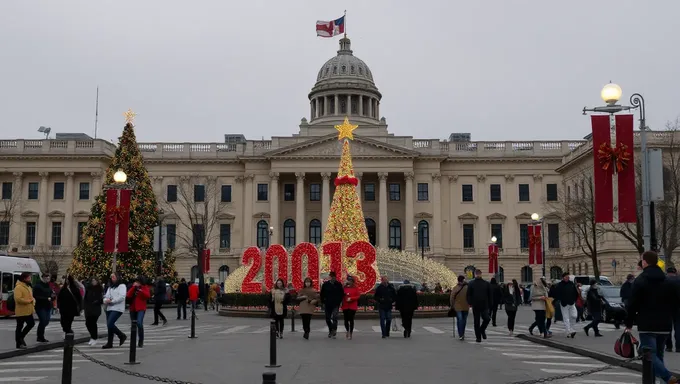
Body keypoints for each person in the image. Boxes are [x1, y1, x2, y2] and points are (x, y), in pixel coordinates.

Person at [625, 251, 680, 384]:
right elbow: (674, 302)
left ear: (645, 262)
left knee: (649, 354)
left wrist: (629, 324)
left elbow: (632, 304)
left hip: (647, 324)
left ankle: (668, 378)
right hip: (665, 324)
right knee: (659, 355)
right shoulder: (667, 280)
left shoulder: (640, 281)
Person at [102, 273, 127, 349]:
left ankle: (121, 335)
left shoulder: (122, 286)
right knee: (109, 326)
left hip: (117, 308)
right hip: (109, 308)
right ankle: (110, 343)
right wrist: (106, 300)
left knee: (110, 324)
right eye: (111, 277)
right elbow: (106, 296)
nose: (112, 278)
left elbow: (122, 297)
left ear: (118, 278)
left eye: (113, 277)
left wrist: (112, 301)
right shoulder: (110, 287)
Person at [467, 269, 492, 343]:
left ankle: (482, 330)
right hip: (476, 305)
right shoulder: (471, 283)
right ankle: (478, 337)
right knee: (476, 322)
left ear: (481, 274)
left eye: (479, 274)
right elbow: (468, 294)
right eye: (477, 274)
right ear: (475, 274)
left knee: (487, 319)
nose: (478, 275)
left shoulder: (486, 283)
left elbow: (490, 295)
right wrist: (470, 303)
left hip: (484, 305)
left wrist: (490, 304)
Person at [126, 276, 150, 348]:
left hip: (141, 308)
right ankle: (133, 341)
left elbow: (147, 295)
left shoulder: (144, 287)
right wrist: (134, 287)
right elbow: (128, 295)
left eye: (138, 282)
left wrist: (140, 290)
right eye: (136, 282)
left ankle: (141, 340)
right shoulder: (133, 287)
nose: (137, 283)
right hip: (133, 308)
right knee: (133, 325)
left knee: (139, 323)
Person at [553, 272, 578, 338]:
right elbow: (557, 294)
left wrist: (574, 299)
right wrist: (560, 300)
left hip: (572, 303)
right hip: (564, 303)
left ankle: (571, 328)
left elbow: (575, 292)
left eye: (568, 277)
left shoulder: (571, 284)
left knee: (574, 316)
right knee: (566, 318)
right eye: (566, 277)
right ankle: (568, 331)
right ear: (563, 277)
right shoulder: (560, 285)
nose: (567, 278)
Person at [320, 271, 344, 339]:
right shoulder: (326, 284)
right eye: (331, 277)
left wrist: (340, 301)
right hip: (327, 303)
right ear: (329, 277)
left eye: (334, 277)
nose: (332, 278)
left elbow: (341, 294)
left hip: (336, 304)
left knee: (335, 317)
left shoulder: (338, 284)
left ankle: (334, 330)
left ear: (335, 277)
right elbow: (322, 294)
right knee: (327, 318)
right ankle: (331, 329)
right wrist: (322, 302)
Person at [14, 272, 35, 349]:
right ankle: (19, 343)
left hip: (28, 310)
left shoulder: (28, 286)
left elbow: (32, 297)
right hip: (21, 311)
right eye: (29, 278)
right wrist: (29, 301)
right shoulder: (18, 287)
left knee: (31, 324)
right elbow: (18, 299)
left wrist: (33, 301)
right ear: (24, 279)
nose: (30, 279)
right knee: (19, 327)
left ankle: (20, 338)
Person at [33, 273, 54, 343]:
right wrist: (46, 298)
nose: (48, 279)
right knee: (43, 320)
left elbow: (51, 294)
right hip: (40, 306)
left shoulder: (48, 285)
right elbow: (36, 296)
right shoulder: (38, 286)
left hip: (48, 306)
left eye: (49, 278)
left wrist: (53, 296)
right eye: (46, 278)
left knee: (46, 321)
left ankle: (40, 334)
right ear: (43, 278)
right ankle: (40, 337)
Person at [84, 278, 103, 346]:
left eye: (95, 281)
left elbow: (101, 299)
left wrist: (96, 302)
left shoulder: (99, 289)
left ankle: (94, 338)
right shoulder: (88, 288)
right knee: (88, 323)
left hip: (95, 309)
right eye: (93, 281)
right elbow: (85, 298)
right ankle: (93, 336)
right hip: (88, 308)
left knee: (93, 323)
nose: (94, 282)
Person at [451, 275, 469, 340]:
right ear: (463, 280)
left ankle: (461, 334)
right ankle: (462, 333)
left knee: (459, 320)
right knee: (464, 320)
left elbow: (452, 298)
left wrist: (452, 305)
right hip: (466, 306)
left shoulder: (455, 288)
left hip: (457, 306)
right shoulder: (467, 287)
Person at [666, 267, 680, 352]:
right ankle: (678, 347)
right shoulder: (679, 281)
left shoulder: (664, 281)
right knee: (678, 327)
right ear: (675, 272)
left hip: (667, 308)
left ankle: (669, 346)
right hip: (678, 308)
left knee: (668, 328)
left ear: (667, 272)